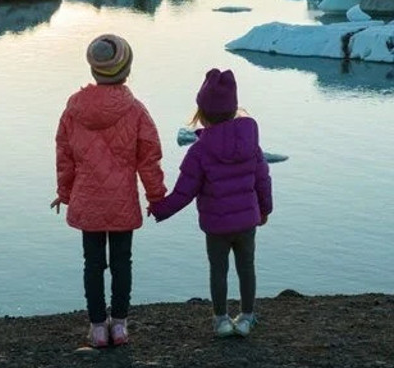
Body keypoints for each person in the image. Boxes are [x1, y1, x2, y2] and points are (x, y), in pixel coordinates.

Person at [52, 34, 166, 350]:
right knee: (121, 263)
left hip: (88, 201)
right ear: (126, 70)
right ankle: (119, 325)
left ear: (94, 70)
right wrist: (155, 196)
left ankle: (97, 328)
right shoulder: (136, 111)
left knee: (92, 264)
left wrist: (65, 192)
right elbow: (149, 156)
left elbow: (64, 154)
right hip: (122, 202)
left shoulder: (73, 110)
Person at [149, 68, 273, 338]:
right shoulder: (251, 144)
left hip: (216, 224)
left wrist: (159, 208)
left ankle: (221, 320)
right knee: (247, 267)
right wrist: (265, 210)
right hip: (247, 221)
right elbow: (263, 179)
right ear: (233, 108)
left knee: (218, 270)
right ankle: (247, 317)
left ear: (202, 113)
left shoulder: (200, 151)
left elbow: (184, 192)